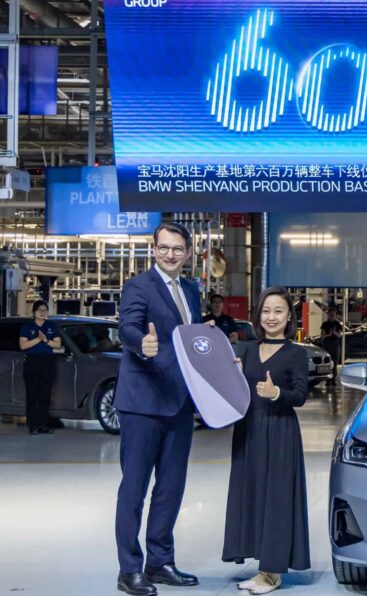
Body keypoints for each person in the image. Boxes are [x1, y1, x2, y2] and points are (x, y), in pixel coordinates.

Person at [114, 222, 202, 596]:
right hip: (143, 404)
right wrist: (141, 343)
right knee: (134, 489)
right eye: (164, 247)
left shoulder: (191, 290)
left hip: (179, 403)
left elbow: (192, 341)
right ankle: (129, 570)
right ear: (154, 249)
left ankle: (160, 562)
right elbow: (127, 327)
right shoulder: (139, 286)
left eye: (177, 248)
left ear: (187, 253)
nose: (170, 254)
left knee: (170, 489)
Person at [223, 287, 310, 595]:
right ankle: (262, 567)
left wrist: (276, 393)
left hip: (280, 430)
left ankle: (272, 573)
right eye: (266, 311)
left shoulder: (296, 353)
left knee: (277, 497)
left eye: (278, 311)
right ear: (258, 315)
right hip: (249, 429)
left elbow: (300, 395)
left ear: (289, 317)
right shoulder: (245, 350)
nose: (272, 317)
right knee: (252, 494)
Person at [19, 300, 62, 435]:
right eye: (40, 310)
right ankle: (33, 425)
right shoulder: (27, 327)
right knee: (32, 394)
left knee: (45, 395)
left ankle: (43, 424)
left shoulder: (51, 326)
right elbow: (23, 345)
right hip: (32, 362)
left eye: (45, 310)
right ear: (34, 312)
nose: (42, 312)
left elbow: (57, 344)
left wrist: (46, 340)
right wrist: (38, 339)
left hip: (47, 362)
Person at [319, 306, 343, 386]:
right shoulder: (325, 324)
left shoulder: (337, 324)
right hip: (327, 343)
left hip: (335, 344)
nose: (332, 315)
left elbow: (339, 335)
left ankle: (333, 379)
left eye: (333, 314)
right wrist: (329, 334)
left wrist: (334, 333)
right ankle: (328, 379)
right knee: (328, 362)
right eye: (330, 314)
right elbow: (322, 336)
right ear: (328, 314)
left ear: (335, 314)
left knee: (335, 362)